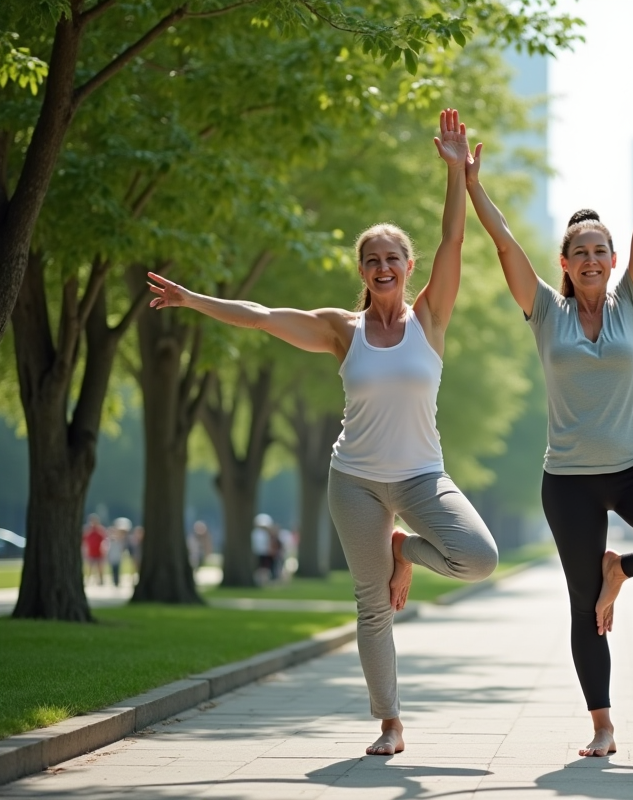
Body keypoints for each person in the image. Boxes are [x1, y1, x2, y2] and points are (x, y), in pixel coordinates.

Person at [147, 108, 498, 757]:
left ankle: (405, 551)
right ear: (362, 270)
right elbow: (260, 317)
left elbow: (456, 243)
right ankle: (390, 723)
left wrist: (456, 175)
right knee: (371, 606)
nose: (383, 267)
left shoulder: (432, 318)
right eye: (372, 259)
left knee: (478, 558)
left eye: (392, 257)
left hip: (422, 476)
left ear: (408, 265)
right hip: (356, 480)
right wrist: (194, 298)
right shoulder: (344, 329)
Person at [466, 85, 633, 757]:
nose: (591, 259)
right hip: (570, 482)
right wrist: (470, 183)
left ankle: (627, 571)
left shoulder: (632, 306)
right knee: (583, 604)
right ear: (564, 262)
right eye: (579, 251)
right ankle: (603, 726)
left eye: (600, 250)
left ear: (613, 261)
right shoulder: (545, 314)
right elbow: (501, 245)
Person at [82, 514, 106, 586]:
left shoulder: (100, 530)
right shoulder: (88, 531)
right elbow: (84, 541)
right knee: (89, 568)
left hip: (99, 553)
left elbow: (104, 541)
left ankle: (101, 580)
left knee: (100, 568)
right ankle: (88, 581)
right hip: (91, 553)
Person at [108, 518, 131, 586]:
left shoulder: (120, 541)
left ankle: (117, 581)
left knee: (117, 569)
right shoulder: (111, 541)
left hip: (117, 557)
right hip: (113, 557)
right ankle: (115, 581)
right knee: (113, 569)